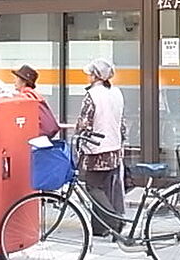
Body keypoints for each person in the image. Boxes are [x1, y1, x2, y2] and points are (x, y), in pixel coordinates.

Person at [75, 58, 126, 237]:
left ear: (96, 76)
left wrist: (79, 138)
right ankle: (99, 227)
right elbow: (121, 122)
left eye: (90, 73)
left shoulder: (93, 95)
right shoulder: (116, 93)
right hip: (114, 146)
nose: (88, 76)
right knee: (106, 187)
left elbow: (84, 122)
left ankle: (114, 221)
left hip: (97, 148)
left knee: (93, 187)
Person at [12, 64, 60, 137]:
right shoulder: (35, 95)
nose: (14, 80)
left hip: (36, 136)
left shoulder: (26, 96)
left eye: (17, 78)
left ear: (24, 81)